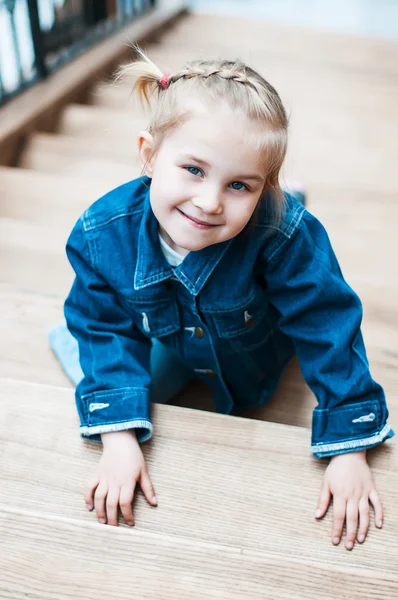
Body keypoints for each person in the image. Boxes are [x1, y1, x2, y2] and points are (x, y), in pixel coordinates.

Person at [49, 47, 394, 550]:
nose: (209, 201)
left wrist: (349, 446)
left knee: (284, 230)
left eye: (238, 184)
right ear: (148, 155)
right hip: (168, 334)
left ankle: (287, 195)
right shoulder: (103, 235)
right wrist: (118, 437)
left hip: (255, 355)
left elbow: (328, 324)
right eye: (192, 169)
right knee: (105, 379)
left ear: (260, 190)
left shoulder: (284, 237)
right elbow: (102, 325)